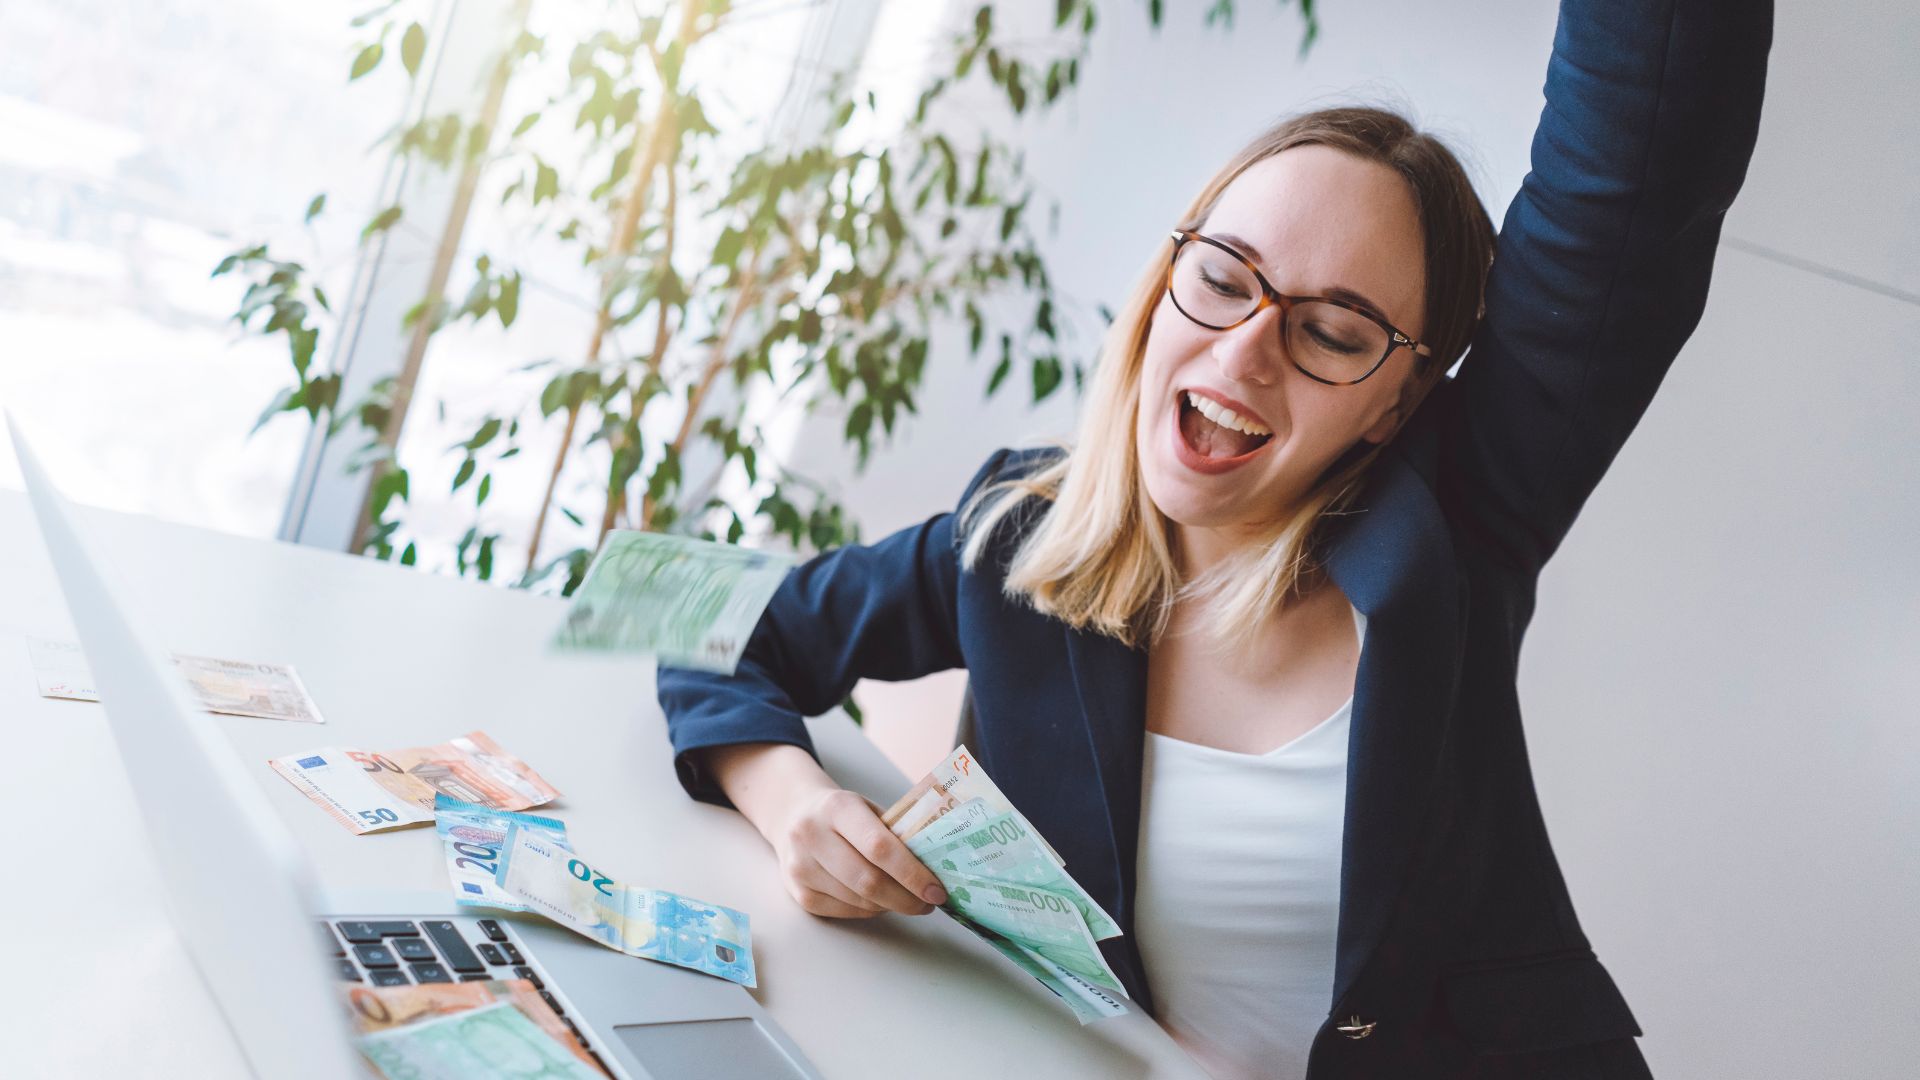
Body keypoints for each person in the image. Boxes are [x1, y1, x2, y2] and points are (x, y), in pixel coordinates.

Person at [657, 0, 1772, 1074]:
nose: (1243, 354)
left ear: (1393, 404)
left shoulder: (1453, 535)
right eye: (1224, 279)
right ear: (1161, 287)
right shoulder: (1017, 538)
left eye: (1334, 333)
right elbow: (702, 618)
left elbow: (1637, 173)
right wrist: (789, 801)